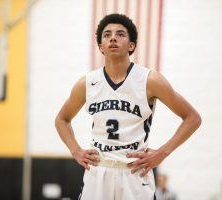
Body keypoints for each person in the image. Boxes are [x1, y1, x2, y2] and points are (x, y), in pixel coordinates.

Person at [55, 13, 201, 200]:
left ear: (131, 45)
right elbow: (61, 119)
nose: (113, 37)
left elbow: (192, 118)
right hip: (99, 170)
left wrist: (162, 153)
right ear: (101, 47)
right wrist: (75, 151)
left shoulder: (150, 80)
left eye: (120, 34)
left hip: (135, 172)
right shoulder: (87, 83)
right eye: (107, 35)